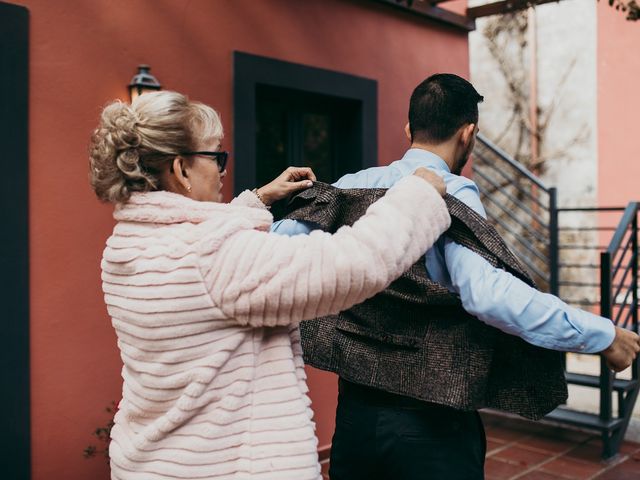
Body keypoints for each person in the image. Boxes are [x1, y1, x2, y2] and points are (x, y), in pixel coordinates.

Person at [271, 73, 640, 480]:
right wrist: (601, 334)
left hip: (356, 419)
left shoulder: (349, 188)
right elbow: (489, 295)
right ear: (468, 134)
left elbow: (277, 251)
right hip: (431, 427)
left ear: (409, 129)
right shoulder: (453, 195)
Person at [89, 90, 452, 480]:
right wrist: (418, 196)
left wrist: (258, 199)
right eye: (216, 156)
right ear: (180, 169)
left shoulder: (126, 246)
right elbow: (353, 264)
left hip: (157, 464)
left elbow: (204, 254)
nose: (223, 169)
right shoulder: (217, 259)